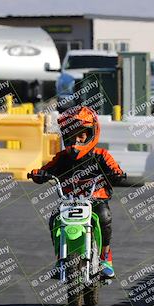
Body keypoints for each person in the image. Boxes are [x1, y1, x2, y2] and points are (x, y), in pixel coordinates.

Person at [30, 106, 126, 278]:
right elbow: (44, 170)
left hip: (95, 199)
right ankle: (61, 259)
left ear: (92, 133)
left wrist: (117, 174)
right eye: (72, 135)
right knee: (54, 219)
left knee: (104, 215)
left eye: (81, 134)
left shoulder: (101, 155)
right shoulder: (62, 158)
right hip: (69, 201)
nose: (77, 139)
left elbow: (116, 170)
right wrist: (39, 174)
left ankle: (105, 257)